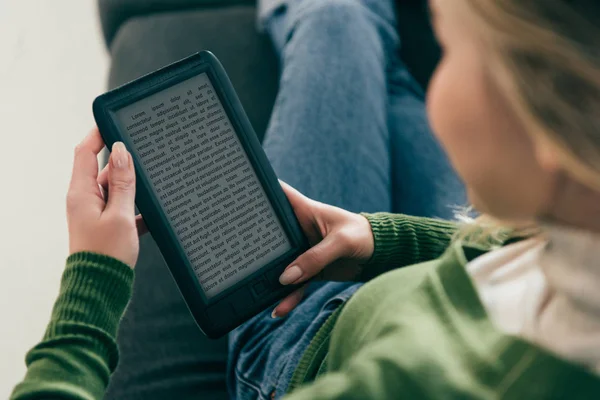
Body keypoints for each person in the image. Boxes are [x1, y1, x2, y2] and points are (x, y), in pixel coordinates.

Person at [11, 0, 600, 398]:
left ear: (554, 122)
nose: (439, 78)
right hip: (415, 277)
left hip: (294, 348)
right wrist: (380, 240)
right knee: (378, 66)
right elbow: (526, 254)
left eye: (449, 52)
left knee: (334, 14)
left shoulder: (415, 382)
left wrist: (96, 275)